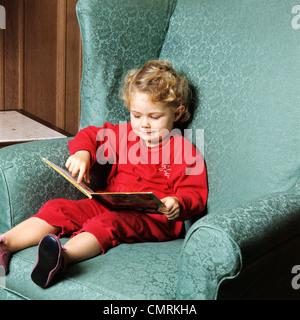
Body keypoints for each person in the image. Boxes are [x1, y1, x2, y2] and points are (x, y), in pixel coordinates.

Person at [0, 60, 208, 288]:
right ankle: (5, 244)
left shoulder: (184, 150)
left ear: (176, 113)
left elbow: (194, 193)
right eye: (136, 115)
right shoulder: (124, 134)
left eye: (154, 117)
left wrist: (178, 203)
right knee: (58, 207)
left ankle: (62, 257)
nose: (144, 125)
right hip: (109, 200)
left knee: (109, 222)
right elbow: (91, 135)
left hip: (153, 219)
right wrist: (82, 154)